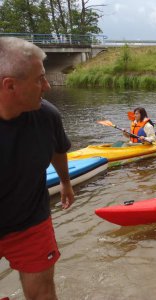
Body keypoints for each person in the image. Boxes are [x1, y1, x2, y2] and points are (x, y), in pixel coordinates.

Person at [0, 37, 74, 299]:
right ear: (10, 86)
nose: (48, 86)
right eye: (39, 79)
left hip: (31, 219)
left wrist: (65, 182)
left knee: (43, 293)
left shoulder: (48, 116)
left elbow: (58, 150)